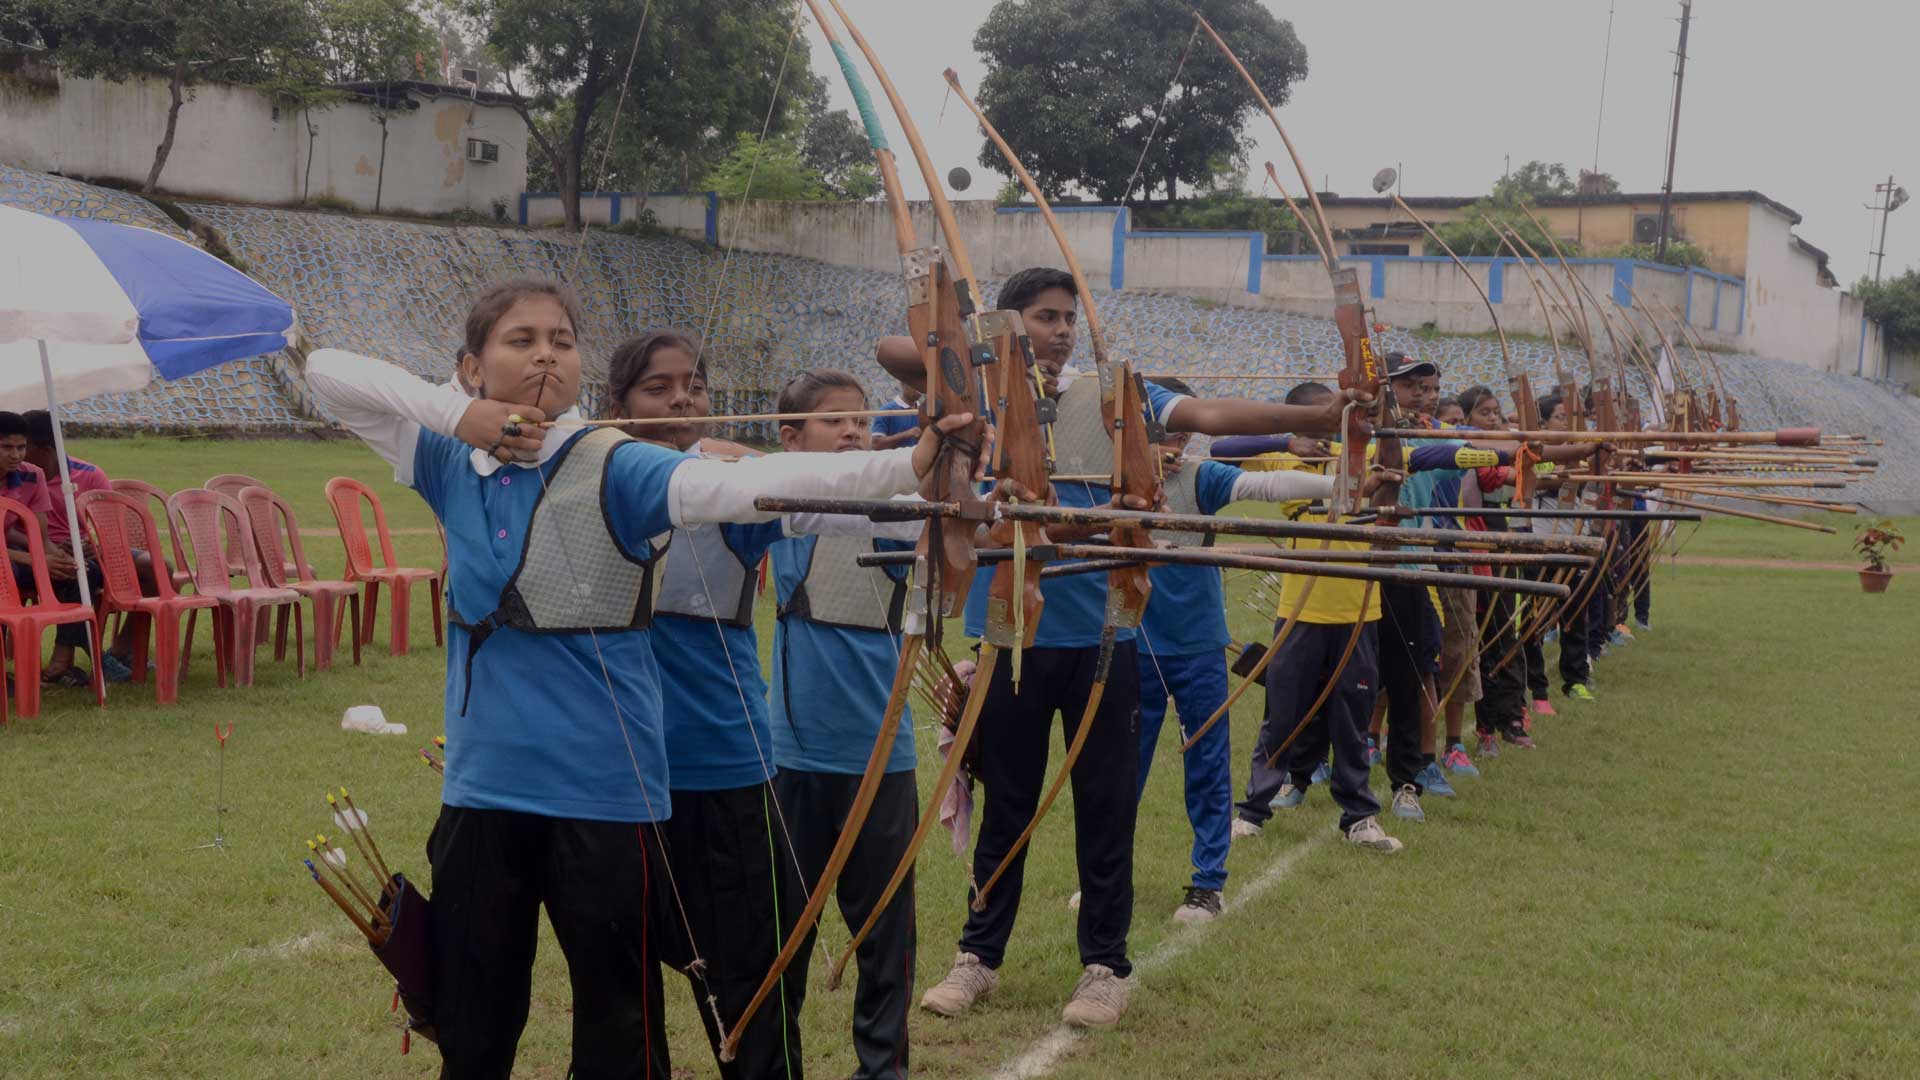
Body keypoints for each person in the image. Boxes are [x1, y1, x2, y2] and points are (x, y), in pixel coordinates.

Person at [302, 277, 974, 1079]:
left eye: (561, 338)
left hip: (603, 801)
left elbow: (748, 489)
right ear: (471, 367)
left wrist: (912, 462)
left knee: (618, 1033)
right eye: (521, 339)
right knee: (472, 1029)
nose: (547, 352)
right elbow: (324, 371)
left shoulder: (616, 464)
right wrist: (456, 414)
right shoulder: (444, 456)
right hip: (482, 794)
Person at [894, 267, 1356, 1030]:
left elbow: (1205, 410)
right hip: (1012, 631)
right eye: (1044, 318)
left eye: (1068, 318)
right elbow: (896, 353)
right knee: (1010, 801)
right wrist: (977, 348)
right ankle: (978, 956)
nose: (1063, 330)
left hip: (1108, 630)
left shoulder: (1114, 395)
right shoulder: (974, 395)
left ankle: (1104, 967)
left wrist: (1322, 411)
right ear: (1009, 325)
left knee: (1105, 806)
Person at [602, 329, 804, 1079]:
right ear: (615, 406)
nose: (682, 398)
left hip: (717, 768)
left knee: (748, 986)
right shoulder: (582, 483)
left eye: (694, 386)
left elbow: (826, 493)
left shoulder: (733, 490)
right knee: (620, 995)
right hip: (610, 780)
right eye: (659, 388)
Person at [1132, 378, 1345, 923]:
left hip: (1198, 643)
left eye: (1181, 436)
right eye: (1159, 436)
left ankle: (1207, 882)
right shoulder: (1105, 483)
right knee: (1117, 768)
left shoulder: (1200, 478)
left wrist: (1341, 485)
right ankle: (1105, 873)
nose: (1172, 449)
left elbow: (1268, 487)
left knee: (1206, 762)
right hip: (1133, 642)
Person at [766, 368, 925, 1080]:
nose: (855, 431)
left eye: (861, 420)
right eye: (836, 421)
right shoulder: (767, 501)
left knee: (883, 932)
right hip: (790, 758)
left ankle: (882, 1070)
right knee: (780, 934)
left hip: (877, 758)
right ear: (791, 436)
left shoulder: (893, 506)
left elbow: (932, 512)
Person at [1212, 383, 1407, 850]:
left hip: (1358, 611)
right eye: (1315, 417)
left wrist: (1382, 422)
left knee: (1352, 716)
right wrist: (1284, 440)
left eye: (1331, 416)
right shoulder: (1286, 459)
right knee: (1282, 715)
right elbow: (1221, 446)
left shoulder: (1357, 451)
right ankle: (1253, 809)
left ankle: (1358, 815)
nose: (1326, 425)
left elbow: (1417, 461)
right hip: (1299, 613)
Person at [19, 410, 121, 684]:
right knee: (81, 573)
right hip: (28, 554)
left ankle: (122, 651)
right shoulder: (20, 477)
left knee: (140, 567)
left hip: (79, 551)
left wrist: (91, 544)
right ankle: (68, 657)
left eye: (21, 447)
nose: (16, 455)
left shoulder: (88, 475)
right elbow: (14, 530)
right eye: (10, 447)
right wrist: (42, 554)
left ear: (44, 449)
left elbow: (110, 528)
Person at [870, 381, 923, 450]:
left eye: (921, 384)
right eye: (914, 383)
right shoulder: (886, 410)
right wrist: (906, 434)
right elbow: (876, 444)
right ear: (902, 384)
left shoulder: (924, 411)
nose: (918, 388)